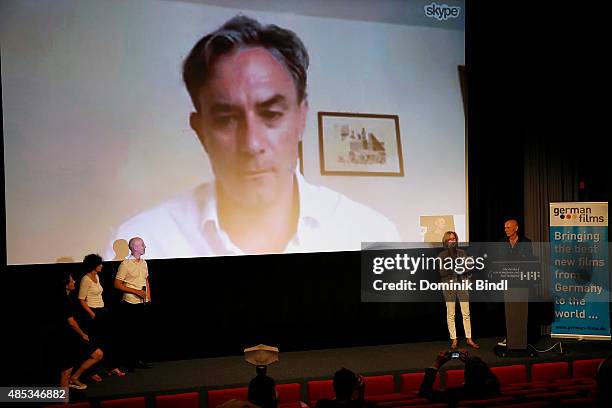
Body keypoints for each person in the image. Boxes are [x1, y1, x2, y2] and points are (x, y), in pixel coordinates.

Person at [107, 15, 399, 259]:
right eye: (225, 120)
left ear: (301, 118)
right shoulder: (147, 245)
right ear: (200, 131)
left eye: (271, 115)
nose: (252, 144)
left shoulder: (373, 237)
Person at [78, 254, 125, 379]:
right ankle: (92, 372)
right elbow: (81, 299)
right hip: (93, 312)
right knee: (95, 343)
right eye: (99, 264)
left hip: (102, 310)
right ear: (93, 265)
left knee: (107, 340)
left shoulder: (97, 276)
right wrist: (92, 314)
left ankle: (110, 367)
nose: (101, 266)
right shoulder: (86, 279)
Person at [59, 272, 104, 391]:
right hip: (68, 338)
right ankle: (64, 402)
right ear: (65, 284)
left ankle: (75, 378)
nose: (74, 282)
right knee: (66, 372)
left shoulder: (70, 297)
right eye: (71, 280)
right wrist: (82, 334)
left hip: (74, 336)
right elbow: (71, 322)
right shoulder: (63, 300)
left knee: (97, 354)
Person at [114, 237, 153, 371]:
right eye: (142, 245)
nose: (145, 246)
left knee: (140, 333)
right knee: (130, 334)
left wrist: (148, 297)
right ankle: (129, 362)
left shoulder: (144, 263)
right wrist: (135, 291)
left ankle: (138, 360)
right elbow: (117, 284)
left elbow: (145, 280)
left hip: (142, 302)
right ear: (135, 248)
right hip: (130, 302)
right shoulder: (125, 264)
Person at [438, 231, 479, 350]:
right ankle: (454, 339)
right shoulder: (442, 255)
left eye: (454, 239)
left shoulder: (462, 252)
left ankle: (469, 338)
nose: (453, 241)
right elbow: (442, 272)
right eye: (450, 239)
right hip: (449, 286)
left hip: (462, 285)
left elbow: (468, 267)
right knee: (451, 314)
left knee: (466, 313)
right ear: (446, 241)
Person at [419, 351, 500, 405]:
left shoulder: (454, 394)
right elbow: (488, 374)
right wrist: (471, 362)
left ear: (465, 376)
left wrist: (436, 364)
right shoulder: (493, 388)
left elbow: (424, 392)